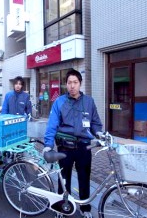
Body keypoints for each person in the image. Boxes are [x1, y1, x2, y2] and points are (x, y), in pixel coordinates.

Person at [43, 69, 103, 218]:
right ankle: (61, 207)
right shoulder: (60, 102)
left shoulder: (89, 101)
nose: (72, 86)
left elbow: (95, 123)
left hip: (84, 146)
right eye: (69, 82)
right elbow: (52, 125)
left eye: (75, 82)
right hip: (64, 147)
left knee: (84, 178)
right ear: (66, 85)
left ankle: (85, 208)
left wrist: (100, 134)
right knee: (64, 179)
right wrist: (48, 144)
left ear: (80, 84)